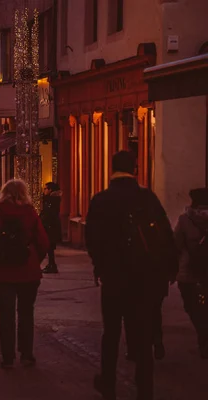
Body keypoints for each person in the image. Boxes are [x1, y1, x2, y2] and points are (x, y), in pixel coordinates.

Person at [85, 151, 178, 400]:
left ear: (112, 170)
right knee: (143, 333)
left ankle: (108, 383)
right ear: (134, 169)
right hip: (144, 278)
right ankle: (145, 387)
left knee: (112, 333)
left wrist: (100, 266)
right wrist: (170, 268)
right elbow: (165, 234)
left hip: (114, 278)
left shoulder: (102, 200)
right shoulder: (147, 198)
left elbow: (91, 239)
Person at [0, 179, 49, 369]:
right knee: (26, 313)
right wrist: (34, 259)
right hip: (28, 272)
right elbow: (43, 242)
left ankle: (7, 356)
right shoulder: (30, 213)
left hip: (2, 272)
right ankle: (26, 354)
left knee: (6, 315)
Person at [174, 187, 208, 359]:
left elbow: (175, 245)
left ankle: (203, 336)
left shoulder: (185, 219)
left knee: (193, 307)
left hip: (189, 274)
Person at [40, 182, 62, 274]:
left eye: (45, 189)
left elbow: (49, 213)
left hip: (51, 226)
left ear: (50, 190)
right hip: (50, 225)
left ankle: (52, 265)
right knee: (49, 247)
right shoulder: (50, 199)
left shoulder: (52, 200)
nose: (44, 190)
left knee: (49, 246)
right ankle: (51, 264)